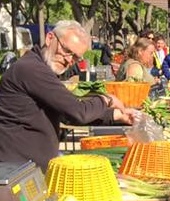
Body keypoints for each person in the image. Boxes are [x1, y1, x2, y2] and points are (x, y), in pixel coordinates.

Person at [0, 20, 133, 171]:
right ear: (50, 38)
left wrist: (117, 116)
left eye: (76, 57)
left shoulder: (42, 68)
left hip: (30, 168)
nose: (69, 60)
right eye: (66, 51)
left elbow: (66, 114)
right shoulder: (30, 69)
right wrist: (107, 99)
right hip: (17, 170)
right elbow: (78, 112)